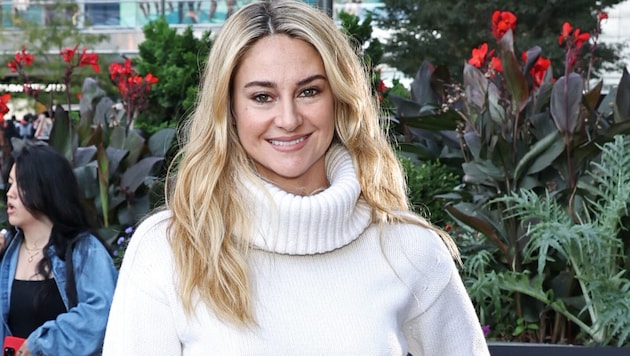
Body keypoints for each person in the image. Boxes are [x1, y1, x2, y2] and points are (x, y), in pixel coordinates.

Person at [103, 1, 490, 354]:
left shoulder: (409, 249)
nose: (288, 119)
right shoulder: (169, 248)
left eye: (308, 91)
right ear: (230, 109)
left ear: (338, 98)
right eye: (262, 97)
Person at [0, 142, 118, 355]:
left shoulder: (85, 250)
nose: (10, 193)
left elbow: (100, 315)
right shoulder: (7, 252)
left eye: (21, 185)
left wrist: (40, 344)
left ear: (47, 188)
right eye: (9, 184)